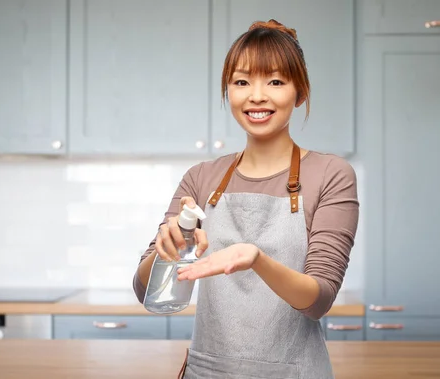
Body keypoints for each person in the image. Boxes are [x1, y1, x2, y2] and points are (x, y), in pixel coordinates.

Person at [132, 19, 359, 379]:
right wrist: (167, 247)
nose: (256, 95)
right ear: (228, 91)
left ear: (299, 92)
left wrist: (256, 259)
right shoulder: (201, 178)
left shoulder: (330, 174)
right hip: (207, 372)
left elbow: (319, 299)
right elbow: (145, 291)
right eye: (242, 81)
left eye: (275, 81)